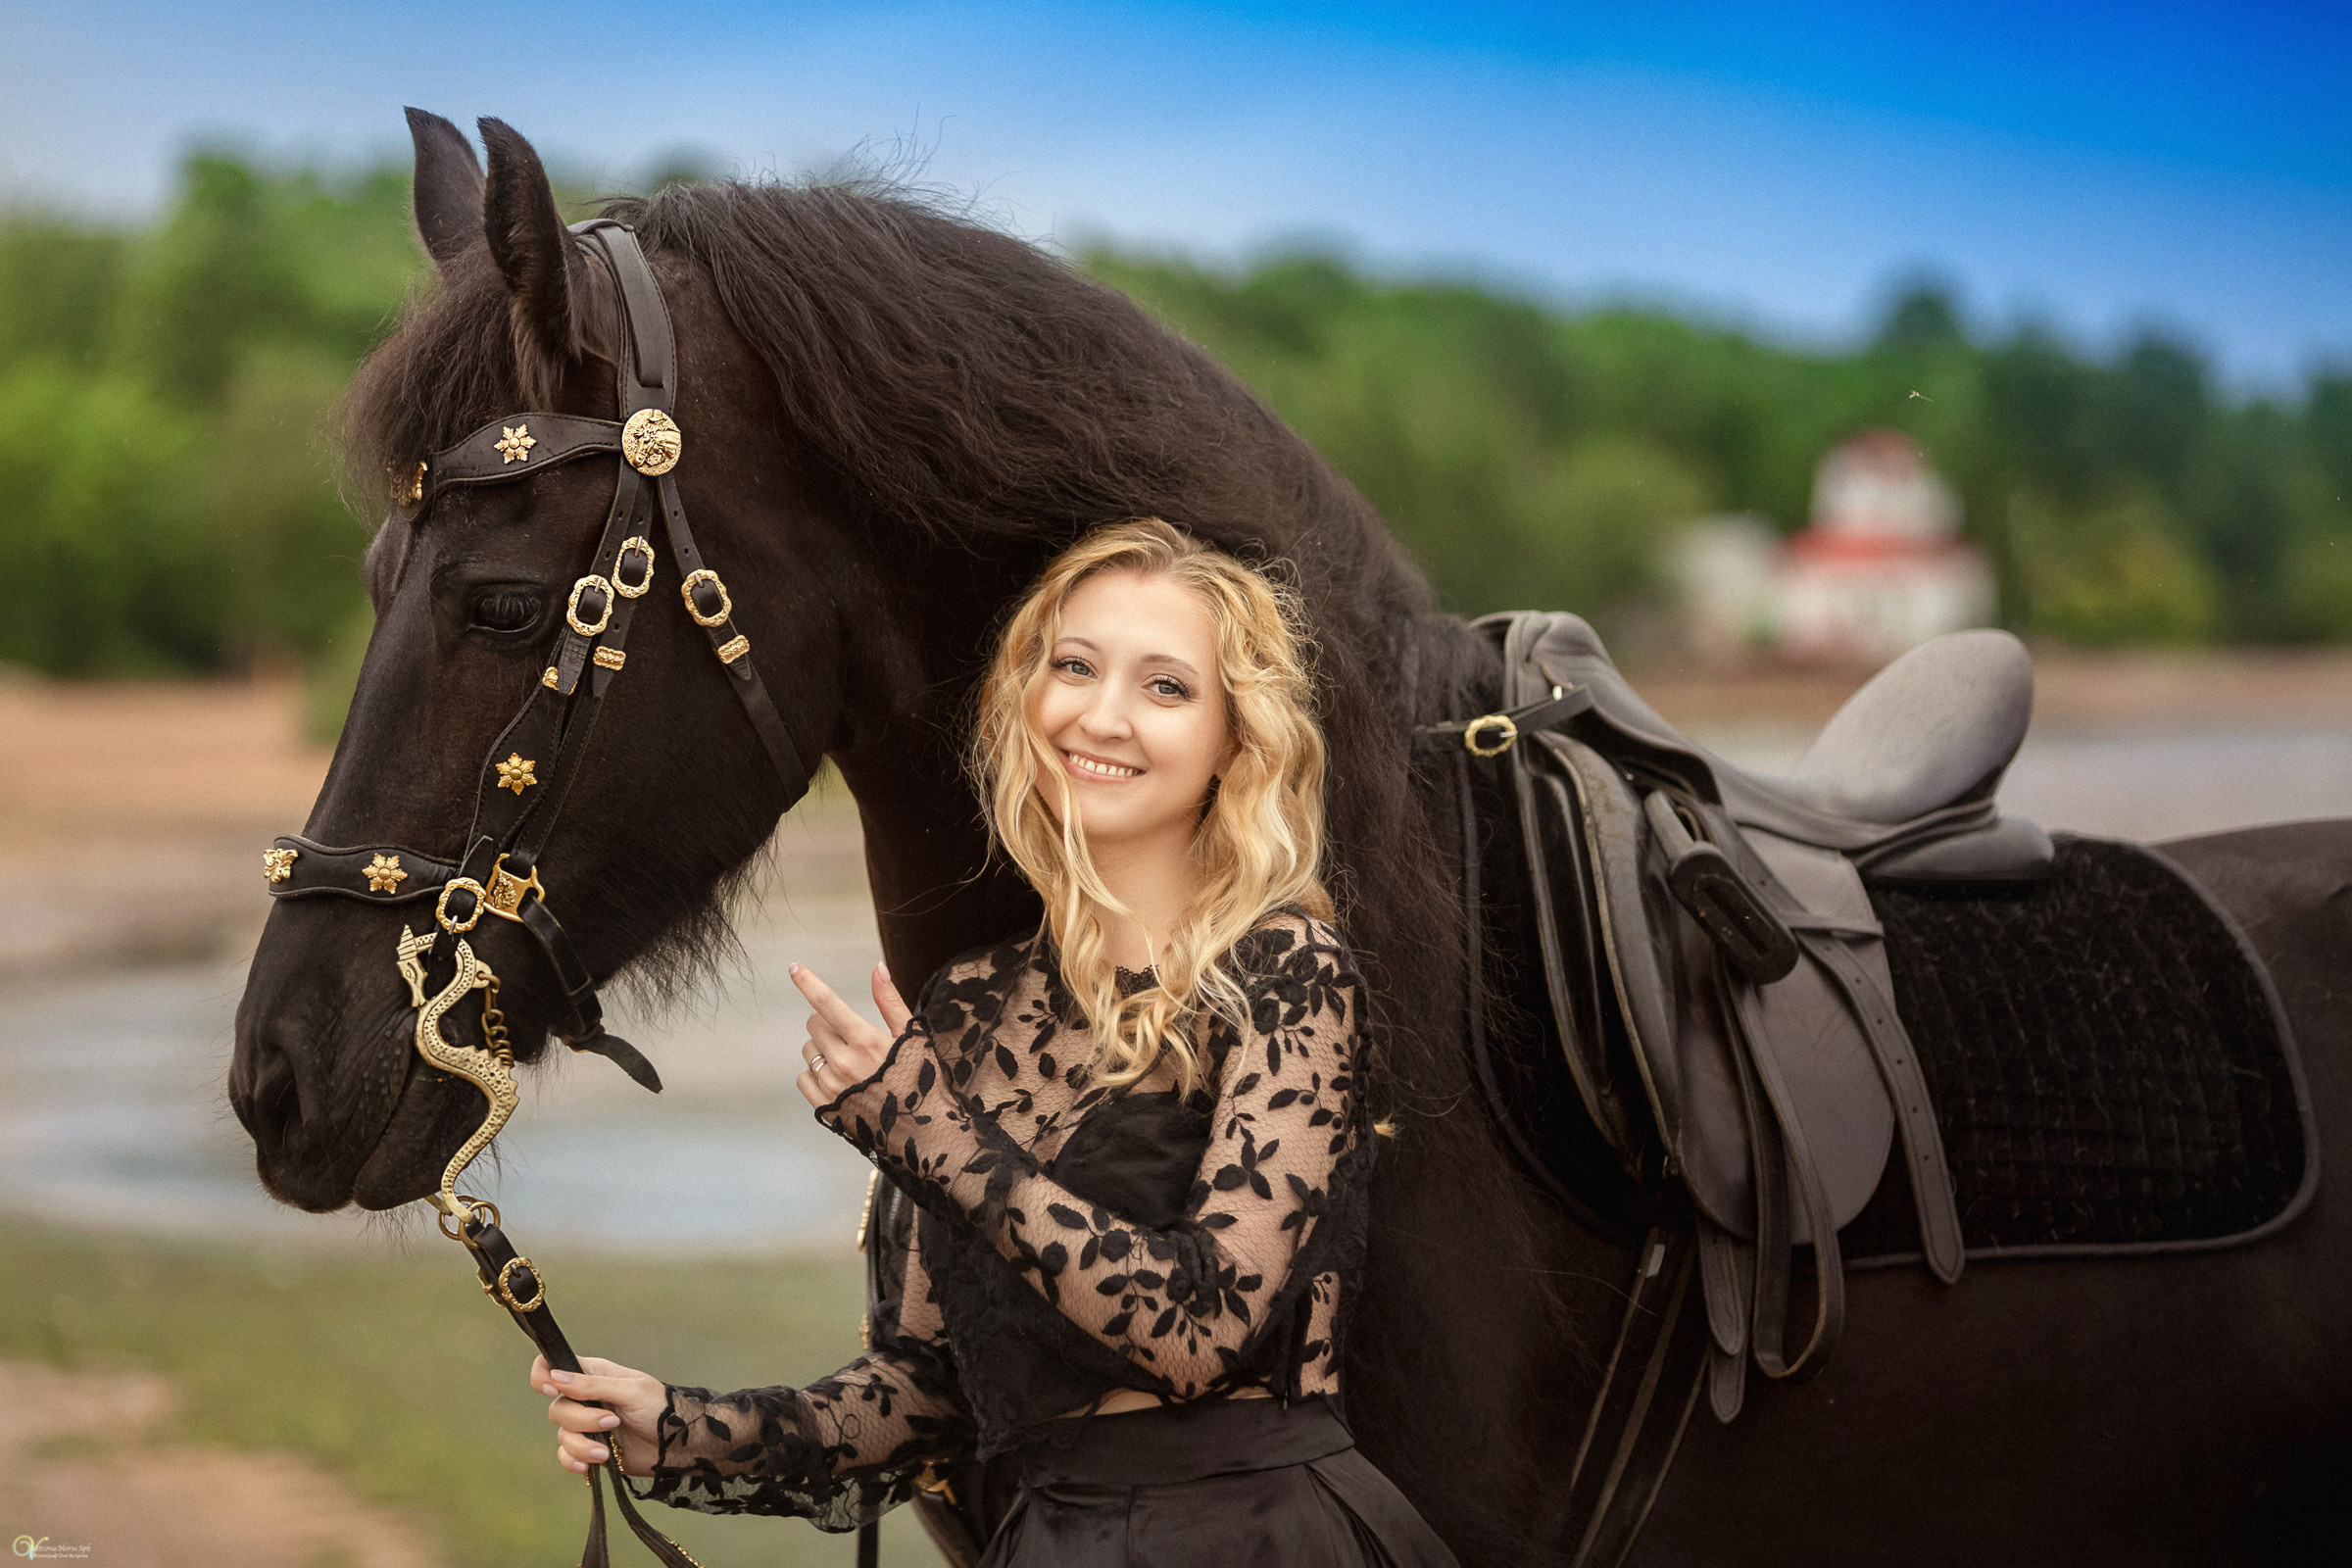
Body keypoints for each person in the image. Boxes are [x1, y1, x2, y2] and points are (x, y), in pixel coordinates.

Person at [527, 516, 1456, 1566]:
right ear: (1028, 697)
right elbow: (924, 1396)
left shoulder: (1288, 968)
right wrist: (680, 1427)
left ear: (1235, 742)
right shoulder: (969, 1007)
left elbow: (1203, 1331)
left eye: (1165, 686)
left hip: (1262, 1536)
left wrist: (936, 1138)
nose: (1103, 715)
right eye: (1074, 666)